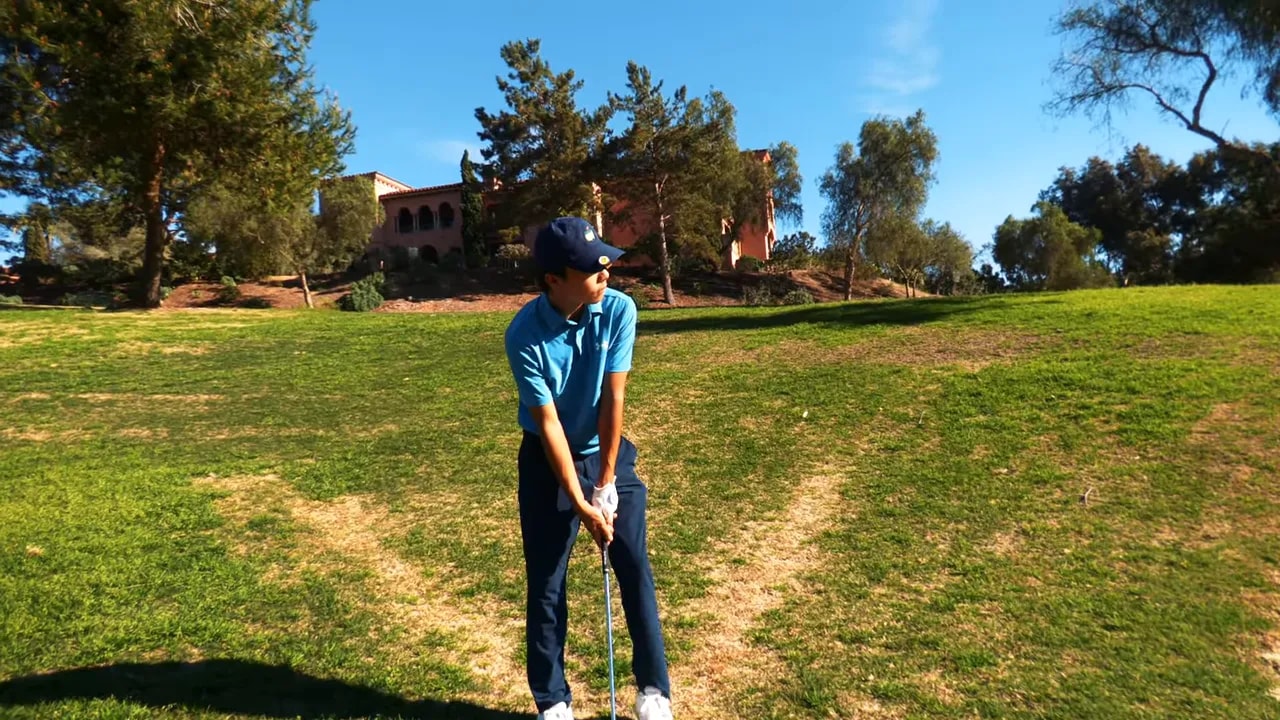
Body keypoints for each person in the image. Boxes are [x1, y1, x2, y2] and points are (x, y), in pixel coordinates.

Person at [503, 216, 674, 720]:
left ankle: (653, 691)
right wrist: (579, 501)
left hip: (608, 450)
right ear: (554, 279)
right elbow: (549, 424)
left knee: (633, 564)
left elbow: (613, 395)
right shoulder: (524, 335)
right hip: (546, 456)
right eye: (590, 269)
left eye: (605, 263)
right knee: (548, 581)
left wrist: (605, 483)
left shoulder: (618, 310)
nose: (606, 274)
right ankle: (552, 701)